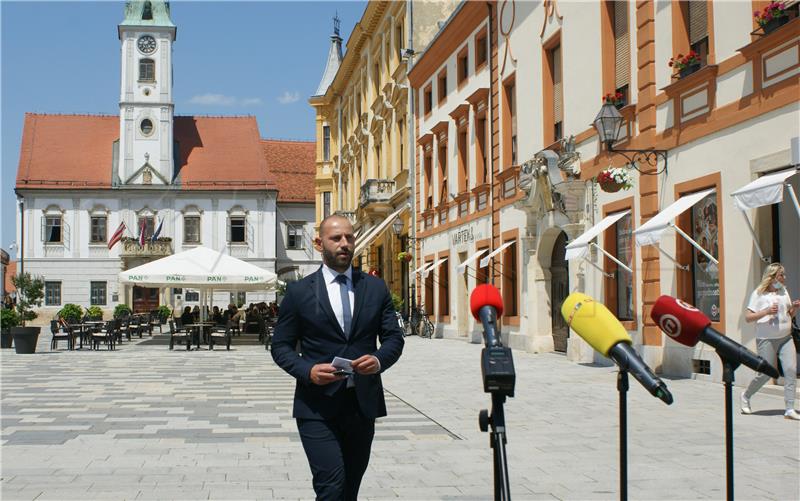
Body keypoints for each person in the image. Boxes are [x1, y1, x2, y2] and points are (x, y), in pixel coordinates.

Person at [271, 214, 404, 500]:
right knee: (330, 486)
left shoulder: (375, 287)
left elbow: (394, 338)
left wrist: (379, 360)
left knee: (349, 489)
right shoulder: (298, 292)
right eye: (336, 238)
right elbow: (280, 346)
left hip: (362, 406)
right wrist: (308, 371)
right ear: (320, 244)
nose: (345, 244)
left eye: (349, 237)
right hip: (317, 407)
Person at [741, 263, 800, 420]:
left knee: (790, 370)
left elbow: (789, 314)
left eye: (784, 275)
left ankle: (789, 408)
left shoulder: (783, 292)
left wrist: (795, 308)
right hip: (766, 339)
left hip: (786, 337)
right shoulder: (758, 294)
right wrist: (766, 311)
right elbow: (748, 318)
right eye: (781, 275)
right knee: (765, 374)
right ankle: (746, 396)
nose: (784, 278)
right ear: (772, 277)